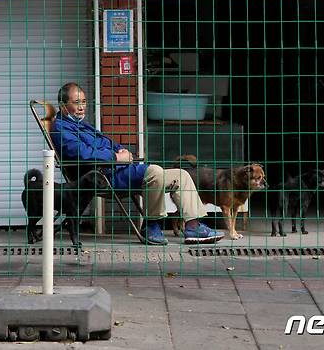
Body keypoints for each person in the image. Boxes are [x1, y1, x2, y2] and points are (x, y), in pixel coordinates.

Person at [50, 82, 224, 245]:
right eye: (76, 102)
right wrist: (116, 157)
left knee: (181, 175)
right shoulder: (61, 128)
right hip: (101, 176)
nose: (81, 107)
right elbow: (82, 154)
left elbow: (106, 144)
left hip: (118, 169)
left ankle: (193, 227)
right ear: (63, 105)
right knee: (154, 172)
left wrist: (122, 151)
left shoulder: (82, 125)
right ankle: (151, 225)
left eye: (84, 102)